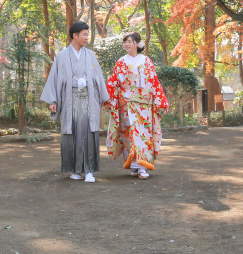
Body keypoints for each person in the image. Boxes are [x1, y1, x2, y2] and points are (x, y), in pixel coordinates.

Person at [40, 21, 108, 183]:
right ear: (74, 36)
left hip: (88, 98)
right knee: (71, 133)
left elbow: (98, 76)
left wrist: (103, 97)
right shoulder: (62, 55)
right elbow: (54, 78)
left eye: (87, 34)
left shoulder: (90, 55)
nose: (87, 37)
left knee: (88, 132)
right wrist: (53, 100)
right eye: (84, 34)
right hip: (69, 99)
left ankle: (89, 170)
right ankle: (74, 169)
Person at [106, 32, 168, 179]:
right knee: (129, 135)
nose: (127, 44)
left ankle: (142, 167)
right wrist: (112, 99)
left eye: (130, 41)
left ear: (137, 44)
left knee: (143, 135)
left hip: (144, 105)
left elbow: (154, 83)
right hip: (126, 104)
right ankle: (133, 166)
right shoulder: (121, 62)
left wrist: (160, 101)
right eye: (125, 42)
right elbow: (113, 82)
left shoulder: (146, 61)